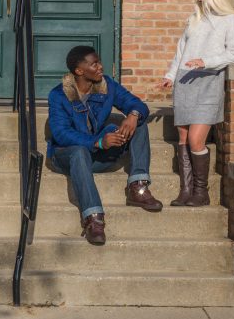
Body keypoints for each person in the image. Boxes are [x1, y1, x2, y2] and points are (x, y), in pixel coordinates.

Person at [47, 46, 162, 246]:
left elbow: (136, 103)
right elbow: (61, 134)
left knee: (138, 124)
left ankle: (138, 187)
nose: (100, 67)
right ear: (79, 71)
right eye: (94, 64)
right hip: (67, 157)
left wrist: (133, 115)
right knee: (79, 151)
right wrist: (98, 142)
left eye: (99, 62)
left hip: (98, 155)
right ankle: (94, 219)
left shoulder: (106, 85)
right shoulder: (58, 95)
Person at [159, 0, 234, 207]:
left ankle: (201, 191)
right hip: (185, 81)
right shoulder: (194, 18)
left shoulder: (231, 19)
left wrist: (205, 61)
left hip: (208, 82)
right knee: (183, 137)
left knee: (196, 140)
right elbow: (181, 51)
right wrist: (170, 76)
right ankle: (186, 191)